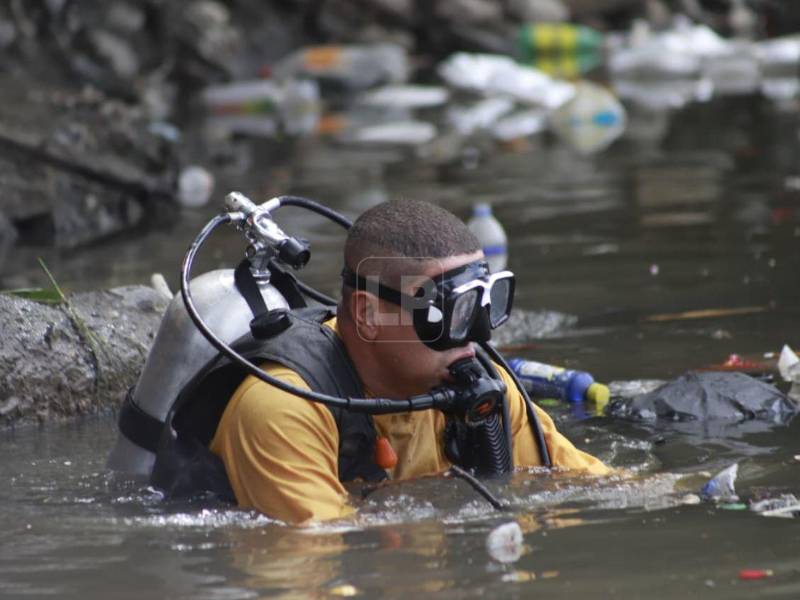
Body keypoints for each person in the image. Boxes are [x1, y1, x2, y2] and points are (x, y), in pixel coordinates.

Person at [209, 200, 609, 524]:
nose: (477, 334)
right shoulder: (284, 407)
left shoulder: (483, 390)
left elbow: (593, 490)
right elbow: (322, 561)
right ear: (368, 314)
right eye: (450, 311)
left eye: (482, 305)